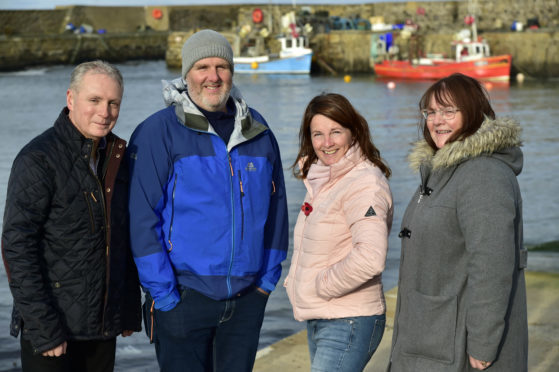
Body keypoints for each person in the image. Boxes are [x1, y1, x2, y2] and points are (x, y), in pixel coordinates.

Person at [127, 29, 289, 372]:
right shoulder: (158, 132)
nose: (213, 77)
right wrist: (165, 295)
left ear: (232, 72)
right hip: (184, 297)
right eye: (203, 67)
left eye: (221, 66)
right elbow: (142, 219)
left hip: (246, 301)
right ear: (187, 74)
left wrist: (266, 282)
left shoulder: (257, 130)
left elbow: (276, 213)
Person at [1, 60, 142, 372]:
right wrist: (43, 328)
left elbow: (121, 239)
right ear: (70, 99)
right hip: (54, 332)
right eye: (94, 100)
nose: (104, 112)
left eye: (113, 103)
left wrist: (129, 309)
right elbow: (17, 248)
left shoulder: (117, 158)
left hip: (103, 327)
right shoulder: (38, 158)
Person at [388, 73, 528, 371]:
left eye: (449, 111)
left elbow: (492, 264)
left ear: (473, 113)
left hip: (459, 344)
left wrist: (483, 342)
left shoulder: (483, 175)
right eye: (431, 112)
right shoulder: (442, 169)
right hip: (434, 334)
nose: (437, 120)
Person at [285, 93, 394, 372]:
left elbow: (370, 257)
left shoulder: (364, 182)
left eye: (336, 132)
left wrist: (322, 285)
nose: (327, 143)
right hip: (324, 314)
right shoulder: (325, 180)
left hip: (349, 319)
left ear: (353, 131)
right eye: (318, 134)